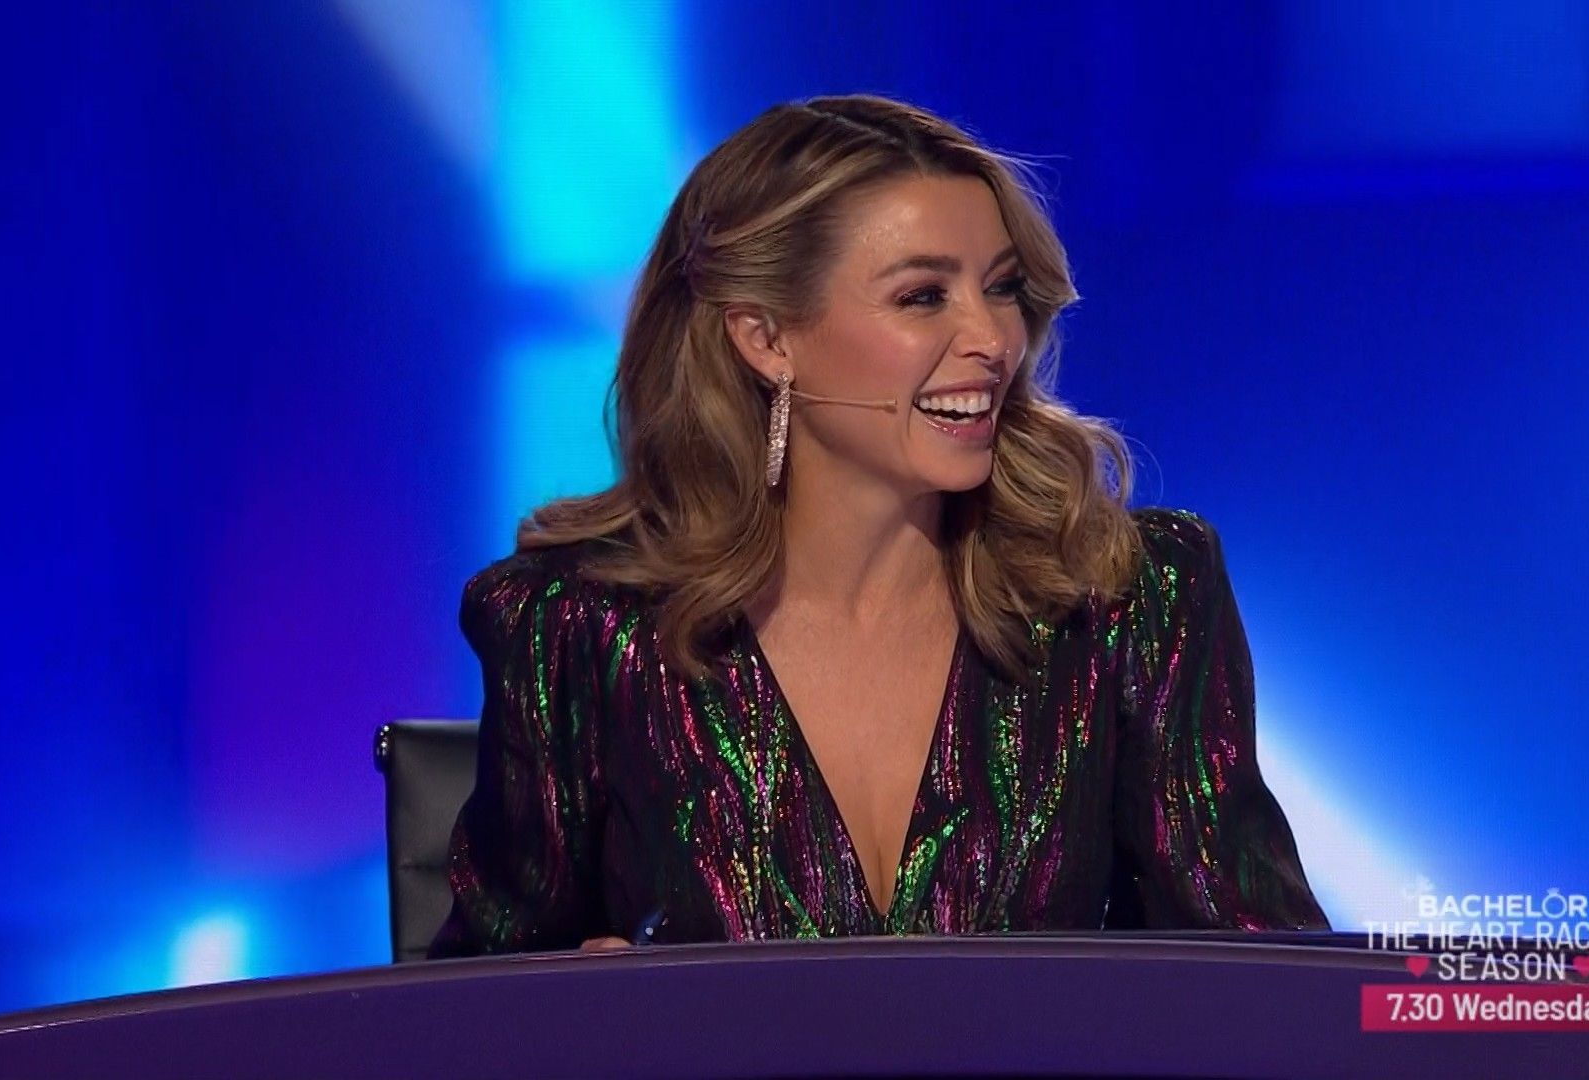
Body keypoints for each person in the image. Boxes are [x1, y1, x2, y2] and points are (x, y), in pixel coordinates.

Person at [427, 94, 1328, 958]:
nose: (992, 339)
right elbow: (467, 1007)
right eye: (923, 296)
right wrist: (563, 998)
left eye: (1002, 288)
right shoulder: (581, 628)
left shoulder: (1128, 599)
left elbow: (1267, 982)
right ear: (766, 338)